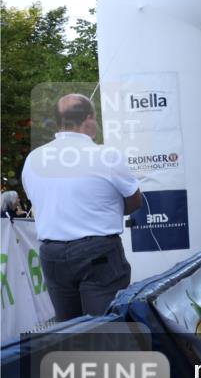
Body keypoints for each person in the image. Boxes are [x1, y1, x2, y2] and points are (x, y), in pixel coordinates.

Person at [21, 94, 142, 320]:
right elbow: (135, 200)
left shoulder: (33, 159)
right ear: (88, 119)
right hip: (97, 252)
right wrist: (108, 209)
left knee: (69, 329)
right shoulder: (106, 155)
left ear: (59, 122)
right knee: (105, 327)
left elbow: (39, 202)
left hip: (52, 254)